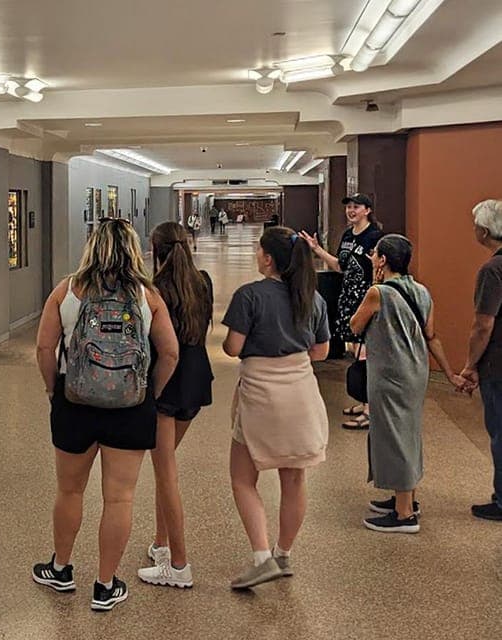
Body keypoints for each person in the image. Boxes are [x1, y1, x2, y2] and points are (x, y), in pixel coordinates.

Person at [31, 218, 179, 611]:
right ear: (132, 249)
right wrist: (151, 391)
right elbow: (170, 353)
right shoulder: (148, 296)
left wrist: (53, 389)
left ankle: (61, 568)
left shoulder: (67, 290)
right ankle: (105, 584)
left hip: (74, 403)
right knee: (119, 499)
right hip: (131, 407)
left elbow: (45, 350)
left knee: (69, 490)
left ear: (91, 246)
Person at [222, 226, 330, 590]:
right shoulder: (312, 298)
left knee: (242, 477)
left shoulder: (249, 296)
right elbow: (321, 352)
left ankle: (261, 556)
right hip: (301, 391)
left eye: (258, 250)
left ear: (268, 259)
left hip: (260, 394)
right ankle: (284, 553)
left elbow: (233, 348)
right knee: (294, 478)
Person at [350, 235, 463, 533]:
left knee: (394, 435)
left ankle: (403, 515)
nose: (372, 256)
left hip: (390, 374)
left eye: (375, 254)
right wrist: (450, 374)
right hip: (415, 372)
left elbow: (354, 325)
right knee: (406, 431)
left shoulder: (378, 293)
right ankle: (406, 497)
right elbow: (432, 336)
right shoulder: (422, 291)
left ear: (383, 260)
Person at [138, 222, 213, 588]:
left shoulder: (154, 292)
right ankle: (161, 544)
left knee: (166, 472)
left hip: (166, 383)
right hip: (196, 381)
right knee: (163, 466)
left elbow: (157, 346)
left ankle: (179, 566)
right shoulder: (203, 282)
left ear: (156, 249)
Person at [300, 193, 384, 430]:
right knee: (356, 352)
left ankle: (370, 409)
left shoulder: (375, 237)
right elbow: (339, 266)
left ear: (367, 210)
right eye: (348, 207)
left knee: (365, 352)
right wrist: (316, 249)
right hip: (348, 298)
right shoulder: (348, 236)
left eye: (356, 207)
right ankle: (364, 400)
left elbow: (380, 267)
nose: (351, 211)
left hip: (366, 298)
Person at [460, 199, 502, 521]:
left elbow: (483, 324)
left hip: (498, 365)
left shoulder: (492, 270)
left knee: (500, 432)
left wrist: (470, 364)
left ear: (484, 231)